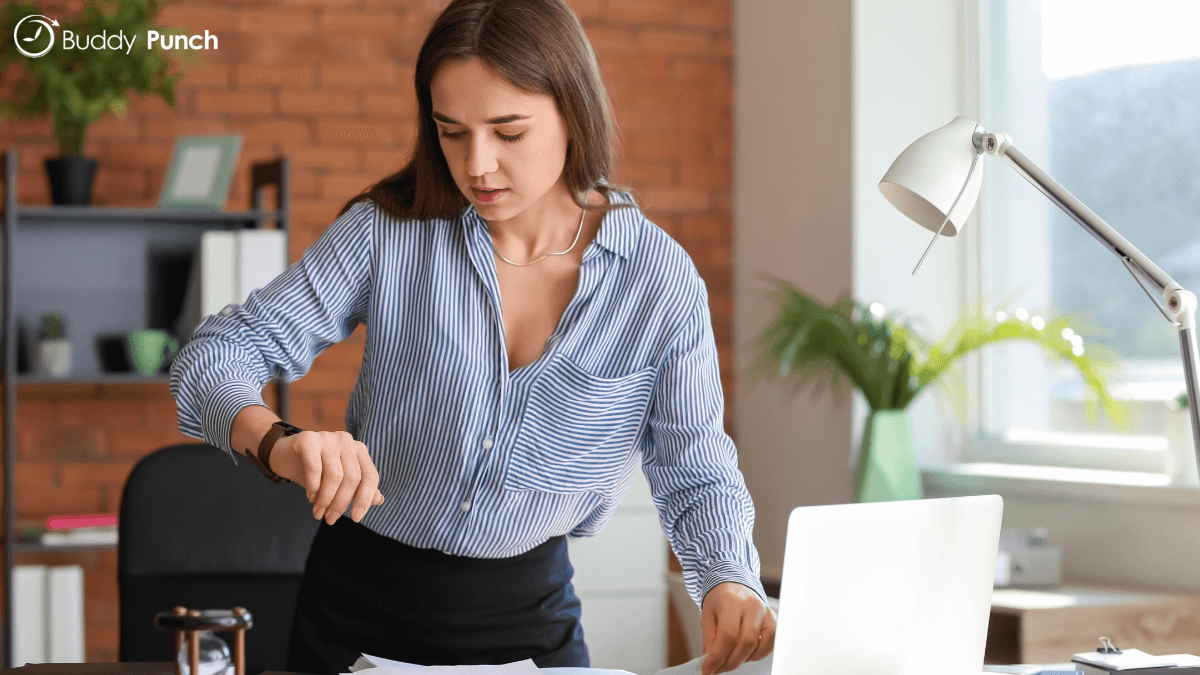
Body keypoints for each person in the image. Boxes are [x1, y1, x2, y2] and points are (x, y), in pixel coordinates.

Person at [169, 0, 776, 673]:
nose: (477, 164)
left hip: (529, 627)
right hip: (354, 616)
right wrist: (278, 443)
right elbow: (214, 355)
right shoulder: (387, 233)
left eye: (508, 132)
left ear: (574, 115)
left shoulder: (659, 282)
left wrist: (727, 575)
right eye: (451, 131)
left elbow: (696, 467)